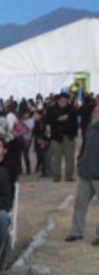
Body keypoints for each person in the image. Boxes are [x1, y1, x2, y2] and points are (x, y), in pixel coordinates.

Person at [65, 103, 99, 245]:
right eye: (96, 110)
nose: (95, 113)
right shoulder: (90, 128)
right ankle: (76, 232)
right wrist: (80, 162)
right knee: (80, 204)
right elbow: (85, 147)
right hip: (86, 173)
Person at [46, 93, 78, 182]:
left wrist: (74, 133)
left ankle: (69, 176)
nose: (63, 103)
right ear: (58, 100)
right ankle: (57, 175)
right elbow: (47, 121)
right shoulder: (51, 109)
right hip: (56, 136)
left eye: (65, 101)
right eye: (62, 101)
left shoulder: (71, 109)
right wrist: (57, 119)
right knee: (57, 157)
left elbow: (75, 122)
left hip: (69, 136)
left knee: (70, 157)